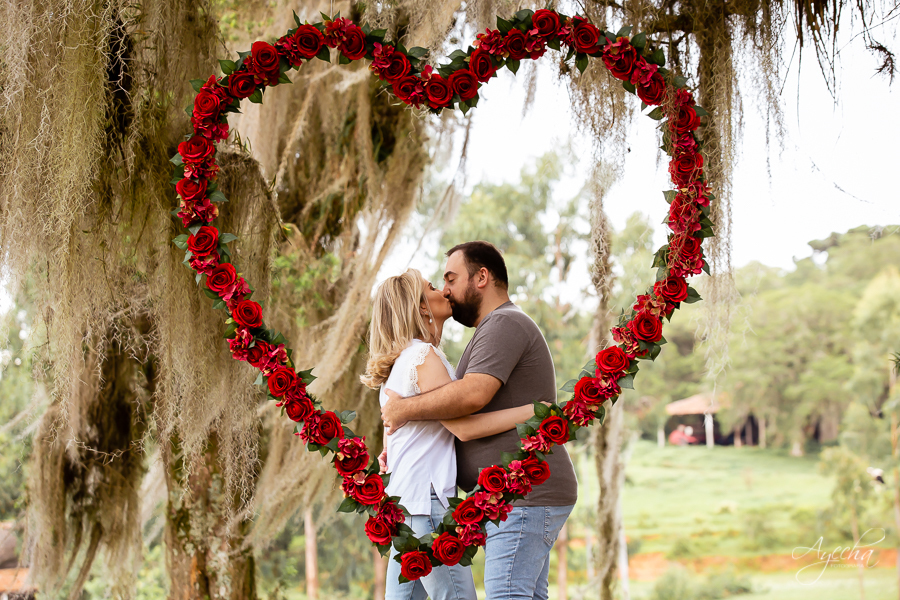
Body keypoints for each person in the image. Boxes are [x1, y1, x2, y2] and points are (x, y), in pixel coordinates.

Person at [381, 241, 578, 600]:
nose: (445, 289)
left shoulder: (503, 322)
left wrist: (403, 411)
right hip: (506, 497)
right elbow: (455, 414)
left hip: (524, 495)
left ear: (482, 277)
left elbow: (469, 400)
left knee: (507, 594)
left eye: (451, 279)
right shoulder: (474, 335)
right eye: (438, 284)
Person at [360, 268, 539, 600]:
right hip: (426, 503)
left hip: (404, 502)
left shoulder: (401, 362)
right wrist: (535, 411)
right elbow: (464, 426)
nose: (443, 290)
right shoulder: (421, 357)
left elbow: (392, 432)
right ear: (420, 308)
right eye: (431, 287)